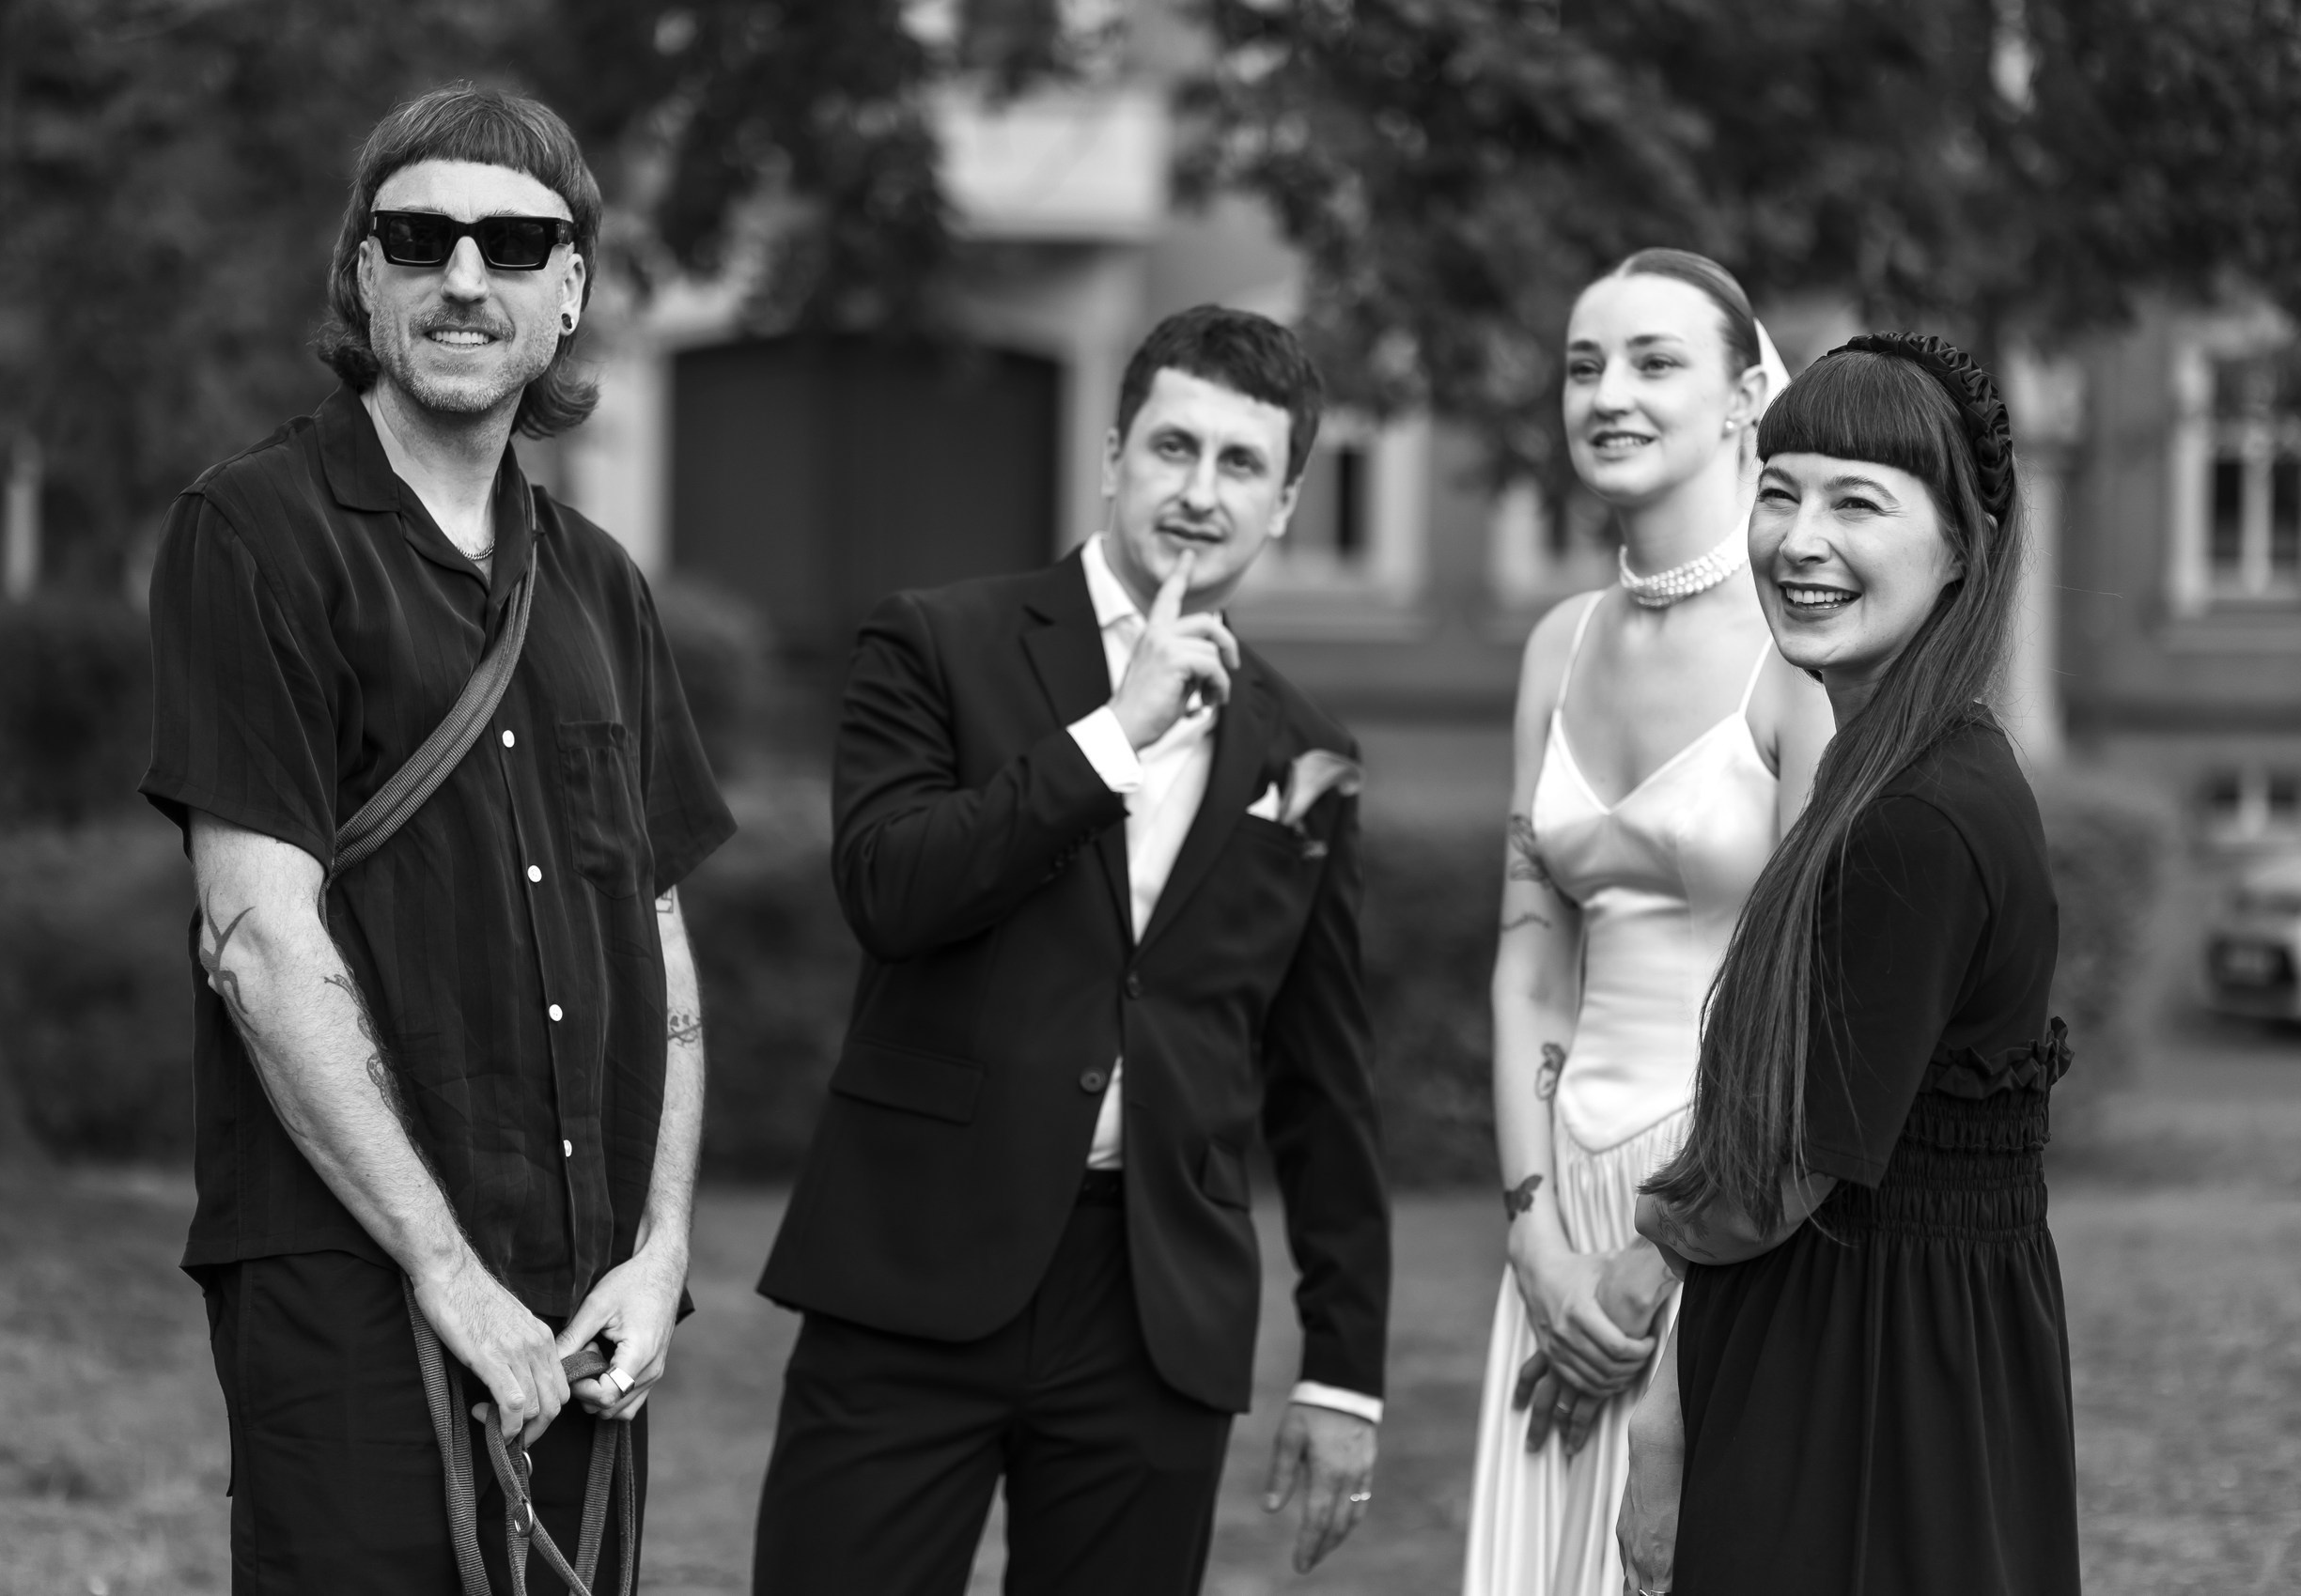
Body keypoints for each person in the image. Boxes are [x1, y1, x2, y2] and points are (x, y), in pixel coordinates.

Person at [140, 84, 733, 1592]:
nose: (467, 278)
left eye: (516, 247)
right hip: (352, 1286)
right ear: (364, 272)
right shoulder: (255, 533)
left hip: (584, 1303)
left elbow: (655, 938)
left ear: (570, 295)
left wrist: (660, 1252)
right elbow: (258, 941)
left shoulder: (602, 586)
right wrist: (448, 1273)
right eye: (422, 237)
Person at [749, 305, 1391, 1596]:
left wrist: (1342, 1371)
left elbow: (1325, 1087)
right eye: (1174, 448)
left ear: (1284, 505)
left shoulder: (1308, 756)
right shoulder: (936, 642)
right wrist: (1116, 734)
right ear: (1112, 454)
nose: (1200, 493)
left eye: (1240, 466)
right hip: (916, 1266)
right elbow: (891, 890)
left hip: (1153, 1310)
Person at [1620, 333, 2079, 1594]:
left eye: (1858, 502)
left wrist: (1641, 1274)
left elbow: (1790, 1163)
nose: (1799, 540)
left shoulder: (1916, 815)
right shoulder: (1902, 767)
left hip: (1869, 1378)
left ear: (1959, 548)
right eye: (1780, 490)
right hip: (1881, 1340)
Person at [1462, 250, 1835, 1596]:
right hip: (1560, 1207)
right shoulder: (1555, 644)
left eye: (1652, 362)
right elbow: (1527, 960)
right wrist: (1535, 1239)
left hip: (1731, 1206)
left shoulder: (1805, 654)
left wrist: (1653, 1266)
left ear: (1745, 398)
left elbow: (1813, 1002)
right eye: (1583, 365)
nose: (1607, 393)